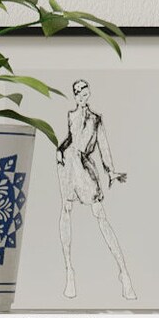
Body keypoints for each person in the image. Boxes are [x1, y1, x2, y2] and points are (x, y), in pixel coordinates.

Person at [56, 79, 136, 299]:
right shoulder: (71, 115)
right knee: (66, 210)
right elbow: (70, 139)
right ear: (75, 94)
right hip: (67, 166)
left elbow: (103, 145)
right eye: (78, 91)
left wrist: (110, 171)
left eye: (84, 90)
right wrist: (60, 151)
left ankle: (124, 273)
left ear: (89, 92)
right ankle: (69, 271)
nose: (82, 94)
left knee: (101, 216)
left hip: (84, 166)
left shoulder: (96, 119)